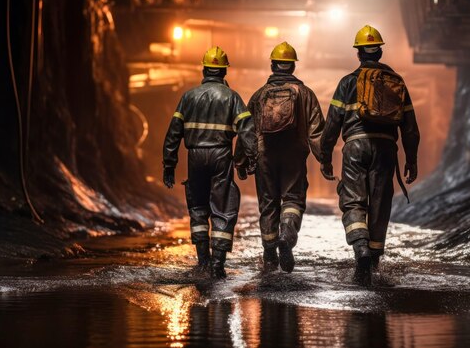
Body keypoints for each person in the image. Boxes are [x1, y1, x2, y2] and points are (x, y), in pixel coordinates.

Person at [319, 25, 420, 286]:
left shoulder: (347, 82)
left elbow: (332, 124)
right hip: (386, 149)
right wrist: (411, 159)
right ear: (381, 51)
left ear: (359, 54)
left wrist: (325, 156)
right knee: (379, 204)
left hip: (355, 146)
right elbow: (410, 127)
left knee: (353, 202)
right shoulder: (396, 81)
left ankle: (361, 251)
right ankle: (374, 262)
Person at [163, 46, 257, 279]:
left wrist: (169, 164)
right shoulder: (232, 97)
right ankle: (217, 264)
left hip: (194, 156)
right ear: (224, 72)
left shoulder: (188, 97)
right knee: (223, 207)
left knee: (197, 206)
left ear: (204, 69)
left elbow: (173, 134)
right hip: (220, 155)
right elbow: (247, 130)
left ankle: (203, 260)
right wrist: (251, 158)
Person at [236, 41, 324, 272]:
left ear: (273, 65)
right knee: (293, 201)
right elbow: (316, 131)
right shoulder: (305, 94)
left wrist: (241, 161)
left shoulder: (259, 95)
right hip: (294, 156)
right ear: (293, 67)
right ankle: (286, 234)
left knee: (268, 204)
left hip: (265, 156)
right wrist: (324, 159)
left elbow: (246, 130)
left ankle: (269, 255)